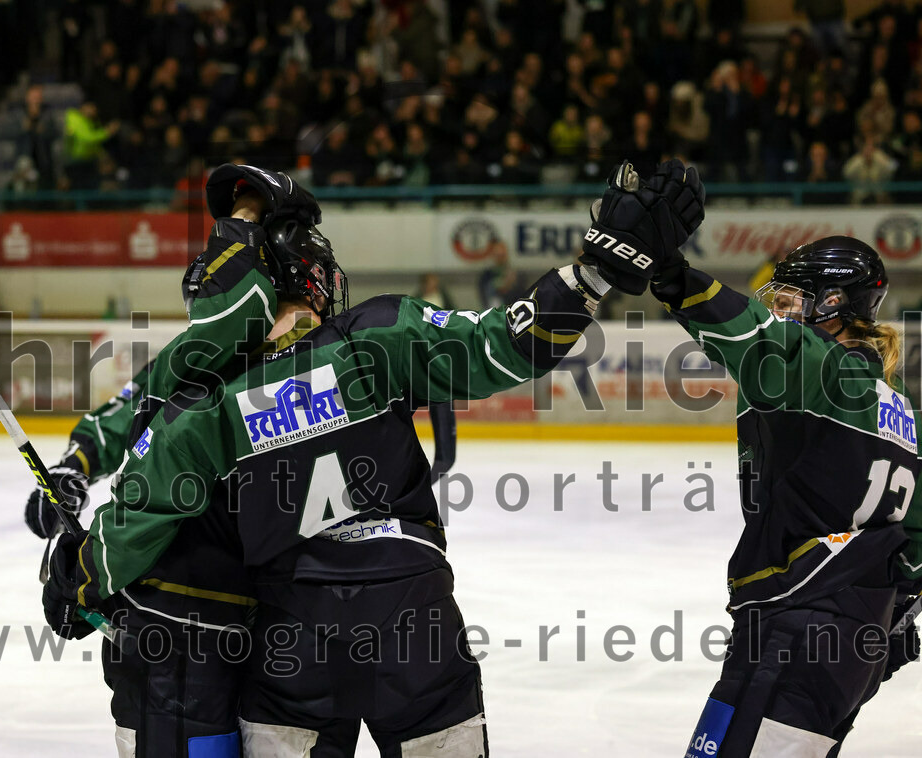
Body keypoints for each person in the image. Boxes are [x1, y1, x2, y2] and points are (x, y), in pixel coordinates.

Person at [43, 161, 705, 756]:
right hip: (410, 605)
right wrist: (594, 271)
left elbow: (140, 517)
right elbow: (506, 347)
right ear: (309, 275)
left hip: (289, 626)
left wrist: (78, 578)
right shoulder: (379, 332)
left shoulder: (214, 400)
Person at [603, 168, 922, 756]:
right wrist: (894, 614)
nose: (777, 309)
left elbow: (753, 337)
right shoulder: (900, 406)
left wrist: (671, 275)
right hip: (839, 632)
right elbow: (916, 542)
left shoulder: (821, 369)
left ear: (832, 304)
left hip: (800, 624)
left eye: (791, 300)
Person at [35, 164, 323, 758]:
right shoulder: (198, 358)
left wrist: (84, 576)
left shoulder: (294, 365)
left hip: (208, 627)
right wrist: (75, 464)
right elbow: (122, 415)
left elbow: (151, 505)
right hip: (225, 626)